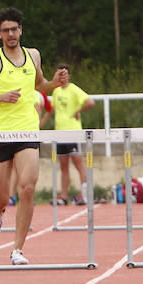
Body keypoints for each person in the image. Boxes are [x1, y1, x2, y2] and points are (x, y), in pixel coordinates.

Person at [0, 7, 66, 265]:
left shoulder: (33, 55)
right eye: (6, 30)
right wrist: (0, 97)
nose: (11, 34)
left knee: (27, 187)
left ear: (21, 30)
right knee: (1, 196)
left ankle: (18, 249)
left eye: (15, 29)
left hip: (27, 130)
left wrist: (55, 83)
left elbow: (39, 85)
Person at [43, 64, 96, 206]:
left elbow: (90, 102)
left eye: (65, 74)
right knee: (63, 166)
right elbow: (51, 110)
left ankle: (85, 195)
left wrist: (77, 111)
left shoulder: (73, 89)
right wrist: (40, 124)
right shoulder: (56, 91)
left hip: (73, 132)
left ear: (69, 76)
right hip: (59, 132)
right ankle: (64, 197)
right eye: (60, 74)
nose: (63, 77)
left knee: (79, 164)